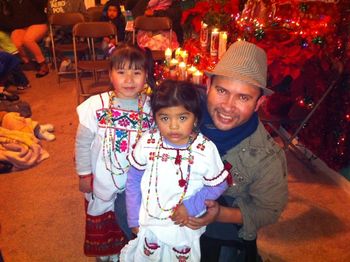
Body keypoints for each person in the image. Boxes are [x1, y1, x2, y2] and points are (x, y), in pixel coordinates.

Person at [182, 41, 289, 261]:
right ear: (208, 85)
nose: (228, 107)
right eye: (222, 91)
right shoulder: (180, 116)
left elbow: (269, 211)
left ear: (259, 102)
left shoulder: (268, 158)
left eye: (243, 97)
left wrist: (220, 214)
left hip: (219, 228)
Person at [120, 80, 229, 261]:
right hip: (149, 220)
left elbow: (218, 185)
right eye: (164, 118)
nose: (173, 126)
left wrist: (191, 206)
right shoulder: (148, 141)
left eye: (182, 117)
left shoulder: (205, 149)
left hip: (183, 224)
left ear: (195, 118)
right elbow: (133, 179)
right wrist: (133, 218)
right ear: (155, 118)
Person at [75, 43, 155, 262]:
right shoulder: (95, 106)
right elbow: (82, 142)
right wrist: (84, 174)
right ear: (110, 75)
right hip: (101, 177)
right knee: (101, 211)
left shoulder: (151, 107)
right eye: (121, 72)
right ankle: (106, 254)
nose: (129, 79)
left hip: (136, 182)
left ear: (145, 75)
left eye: (136, 72)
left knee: (131, 218)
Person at [6, 0, 49, 78]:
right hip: (22, 26)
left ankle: (43, 64)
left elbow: (43, 4)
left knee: (28, 39)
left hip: (39, 23)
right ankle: (28, 62)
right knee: (15, 40)